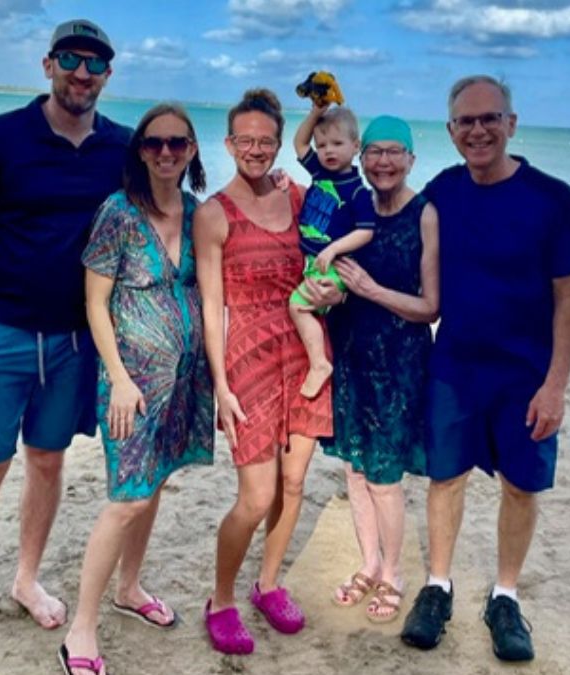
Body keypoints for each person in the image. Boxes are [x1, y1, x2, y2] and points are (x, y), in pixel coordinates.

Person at [0, 19, 130, 653]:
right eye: (70, 58)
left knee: (46, 461)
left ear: (108, 76)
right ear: (47, 64)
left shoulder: (121, 148)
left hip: (72, 341)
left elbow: (176, 199)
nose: (82, 72)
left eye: (95, 63)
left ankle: (27, 579)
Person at [399, 75, 570, 662]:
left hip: (527, 374)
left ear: (511, 123)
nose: (479, 130)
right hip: (456, 364)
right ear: (452, 131)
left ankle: (505, 595)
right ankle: (438, 585)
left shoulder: (553, 199)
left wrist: (556, 385)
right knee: (446, 478)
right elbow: (385, 213)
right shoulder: (442, 191)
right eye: (466, 121)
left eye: (490, 118)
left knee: (521, 484)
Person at [58, 103, 213, 675]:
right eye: (154, 144)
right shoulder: (119, 214)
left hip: (184, 380)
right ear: (140, 152)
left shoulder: (197, 214)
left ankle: (129, 588)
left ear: (193, 149)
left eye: (177, 142)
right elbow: (95, 303)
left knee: (155, 484)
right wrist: (119, 379)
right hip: (132, 385)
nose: (166, 152)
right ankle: (81, 627)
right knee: (127, 500)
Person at [194, 88, 337, 656]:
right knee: (256, 496)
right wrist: (221, 386)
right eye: (245, 140)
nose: (255, 149)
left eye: (266, 141)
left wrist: (337, 293)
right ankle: (222, 599)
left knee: (295, 483)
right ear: (229, 143)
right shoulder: (213, 214)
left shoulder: (300, 198)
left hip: (305, 351)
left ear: (280, 145)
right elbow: (211, 306)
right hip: (248, 358)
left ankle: (269, 583)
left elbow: (335, 250)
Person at [321, 115, 439, 624]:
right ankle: (369, 562)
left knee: (386, 479)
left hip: (399, 364)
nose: (383, 162)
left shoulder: (425, 214)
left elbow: (430, 306)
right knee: (354, 469)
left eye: (395, 152)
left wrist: (369, 290)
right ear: (360, 157)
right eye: (374, 152)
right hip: (350, 355)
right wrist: (329, 293)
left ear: (411, 158)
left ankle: (393, 573)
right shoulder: (354, 207)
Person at [288, 103, 377, 398]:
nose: (328, 151)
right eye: (322, 144)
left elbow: (366, 230)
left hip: (334, 265)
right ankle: (315, 360)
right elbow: (299, 143)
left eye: (337, 144)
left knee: (297, 305)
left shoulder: (356, 190)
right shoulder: (320, 172)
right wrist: (315, 113)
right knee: (304, 307)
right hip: (313, 260)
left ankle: (319, 364)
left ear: (356, 146)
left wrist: (333, 249)